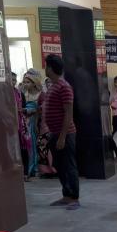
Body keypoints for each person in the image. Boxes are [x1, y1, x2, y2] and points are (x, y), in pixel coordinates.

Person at [43, 54, 80, 209]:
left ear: (51, 68)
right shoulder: (53, 86)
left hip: (65, 134)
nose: (45, 68)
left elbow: (68, 113)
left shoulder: (64, 86)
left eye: (46, 66)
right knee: (60, 165)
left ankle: (74, 198)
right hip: (55, 133)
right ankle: (66, 195)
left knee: (69, 165)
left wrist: (62, 137)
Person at [21, 69, 44, 176]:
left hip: (34, 121)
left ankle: (34, 167)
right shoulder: (23, 94)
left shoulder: (40, 94)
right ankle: (28, 167)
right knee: (28, 144)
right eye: (24, 82)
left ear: (34, 83)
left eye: (28, 82)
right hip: (25, 122)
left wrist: (30, 111)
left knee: (34, 143)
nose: (26, 84)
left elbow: (40, 109)